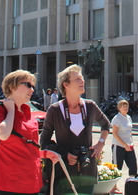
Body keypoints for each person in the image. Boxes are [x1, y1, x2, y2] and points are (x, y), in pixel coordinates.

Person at [0, 70, 60, 194]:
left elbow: (25, 148)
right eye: (28, 85)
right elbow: (3, 134)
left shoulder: (29, 115)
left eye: (33, 86)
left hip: (33, 183)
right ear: (12, 86)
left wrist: (44, 154)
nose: (32, 90)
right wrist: (11, 111)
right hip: (9, 184)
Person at [40, 65, 110, 195]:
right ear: (66, 84)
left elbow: (106, 124)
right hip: (64, 174)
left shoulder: (90, 106)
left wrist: (100, 143)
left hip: (87, 172)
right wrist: (64, 154)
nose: (82, 81)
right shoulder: (55, 110)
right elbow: (44, 142)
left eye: (82, 78)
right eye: (77, 79)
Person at [110, 99, 137, 194]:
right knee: (117, 167)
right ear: (119, 108)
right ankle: (113, 187)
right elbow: (115, 134)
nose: (126, 108)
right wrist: (124, 145)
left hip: (129, 146)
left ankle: (132, 185)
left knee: (133, 166)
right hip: (119, 146)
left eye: (127, 106)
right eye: (124, 106)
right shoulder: (116, 119)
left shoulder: (128, 117)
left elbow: (129, 132)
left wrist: (130, 144)